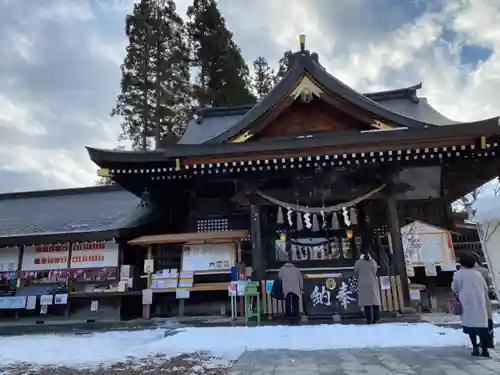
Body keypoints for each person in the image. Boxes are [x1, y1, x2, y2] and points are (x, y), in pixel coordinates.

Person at [451, 254, 490, 357]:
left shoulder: (458, 274)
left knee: (470, 327)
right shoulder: (478, 274)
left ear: (461, 263)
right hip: (480, 302)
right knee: (482, 327)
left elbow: (455, 288)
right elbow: (485, 288)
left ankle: (475, 348)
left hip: (467, 303)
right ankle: (485, 350)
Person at [472, 252, 494, 349]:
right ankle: (490, 341)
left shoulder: (468, 271)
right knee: (488, 320)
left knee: (477, 321)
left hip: (473, 300)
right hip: (484, 298)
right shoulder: (484, 271)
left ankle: (481, 341)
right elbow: (490, 284)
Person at [355, 251, 380, 324]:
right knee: (375, 301)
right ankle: (376, 318)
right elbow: (375, 271)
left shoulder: (358, 263)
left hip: (363, 284)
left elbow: (356, 272)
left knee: (366, 303)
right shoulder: (373, 262)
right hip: (372, 283)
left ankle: (369, 320)